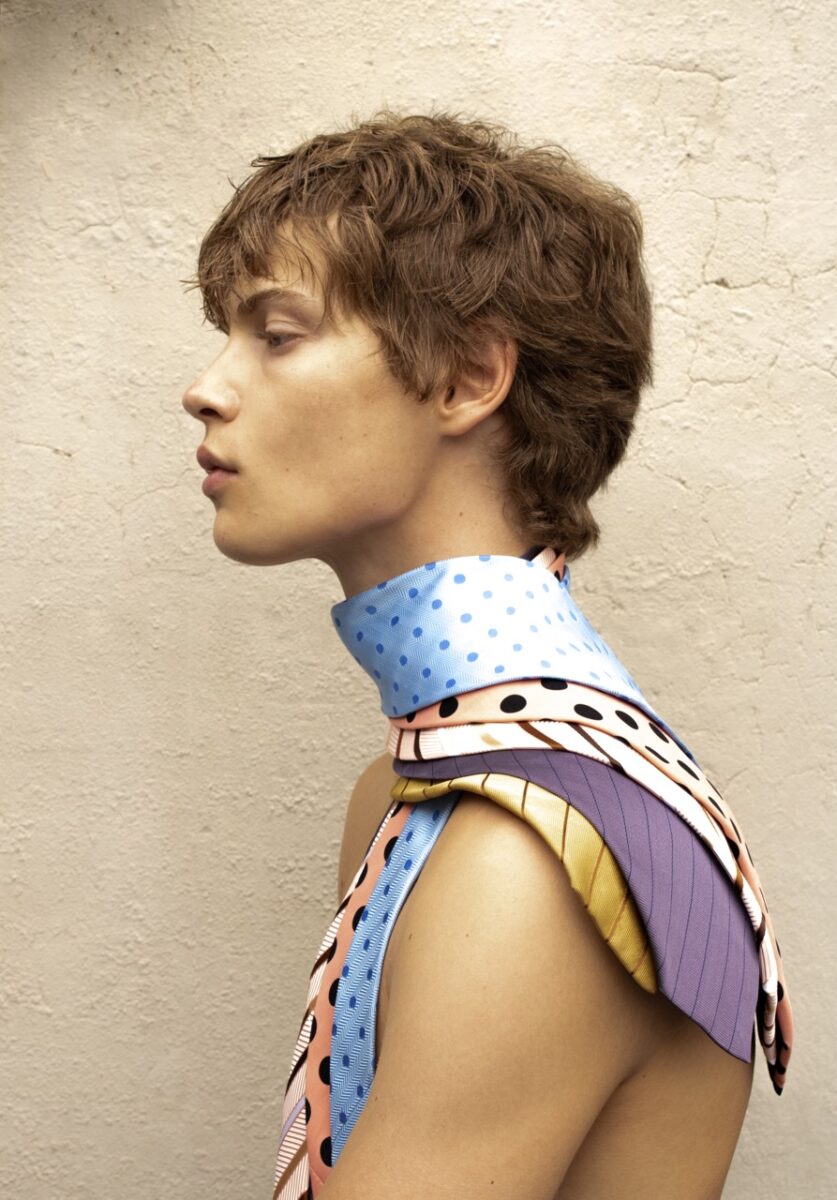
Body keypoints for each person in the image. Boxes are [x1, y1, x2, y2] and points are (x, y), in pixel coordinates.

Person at [181, 110, 792, 1200]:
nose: (209, 388)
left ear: (467, 378)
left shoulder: (527, 856)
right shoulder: (421, 788)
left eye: (276, 335)